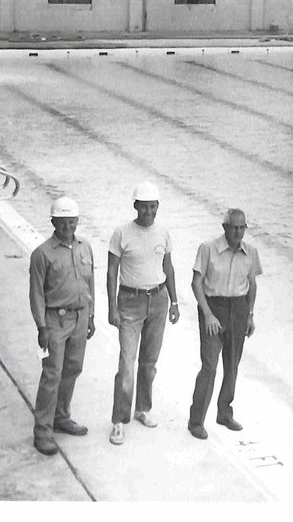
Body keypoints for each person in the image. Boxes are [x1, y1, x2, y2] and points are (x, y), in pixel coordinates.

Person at [107, 181, 179, 445]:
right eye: (143, 207)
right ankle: (118, 421)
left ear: (157, 207)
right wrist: (111, 307)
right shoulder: (121, 233)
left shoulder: (164, 233)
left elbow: (168, 268)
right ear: (135, 206)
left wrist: (174, 302)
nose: (148, 212)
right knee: (127, 364)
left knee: (149, 363)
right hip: (130, 301)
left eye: (152, 207)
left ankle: (143, 409)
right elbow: (112, 271)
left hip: (158, 300)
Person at [188, 208, 263, 440]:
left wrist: (250, 315)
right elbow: (196, 283)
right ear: (224, 228)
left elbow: (252, 285)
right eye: (234, 227)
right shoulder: (207, 249)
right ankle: (196, 421)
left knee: (232, 365)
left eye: (242, 227)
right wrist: (208, 314)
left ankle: (224, 413)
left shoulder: (251, 252)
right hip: (214, 308)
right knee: (209, 366)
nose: (238, 232)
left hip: (239, 309)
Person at [29, 196, 95, 456]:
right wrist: (41, 326)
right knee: (52, 376)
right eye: (62, 222)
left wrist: (91, 316)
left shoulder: (86, 247)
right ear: (53, 222)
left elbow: (91, 283)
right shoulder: (42, 254)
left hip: (80, 317)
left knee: (73, 369)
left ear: (77, 221)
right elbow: (36, 293)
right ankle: (42, 432)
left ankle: (62, 416)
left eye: (72, 222)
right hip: (56, 320)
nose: (68, 227)